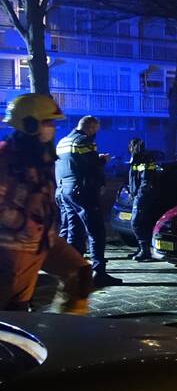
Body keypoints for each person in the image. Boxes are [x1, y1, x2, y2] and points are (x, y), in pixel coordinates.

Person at [0, 94, 94, 314]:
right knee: (13, 314)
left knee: (79, 274)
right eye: (47, 122)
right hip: (11, 249)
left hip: (42, 242)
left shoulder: (40, 158)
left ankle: (61, 332)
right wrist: (22, 222)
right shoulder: (5, 159)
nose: (52, 127)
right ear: (29, 124)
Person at [55, 115, 121, 288]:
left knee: (74, 232)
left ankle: (72, 271)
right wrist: (102, 160)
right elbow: (92, 165)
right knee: (96, 231)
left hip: (65, 191)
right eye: (95, 130)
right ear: (90, 127)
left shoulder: (62, 142)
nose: (95, 134)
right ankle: (99, 273)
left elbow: (70, 164)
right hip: (83, 192)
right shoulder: (84, 141)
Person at [127, 137, 162, 261]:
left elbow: (147, 181)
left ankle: (145, 251)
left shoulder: (145, 159)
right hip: (138, 195)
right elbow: (133, 179)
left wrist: (139, 195)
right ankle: (141, 249)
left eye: (132, 146)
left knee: (136, 222)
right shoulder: (135, 159)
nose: (131, 149)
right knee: (142, 223)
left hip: (143, 196)